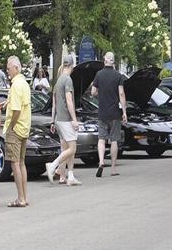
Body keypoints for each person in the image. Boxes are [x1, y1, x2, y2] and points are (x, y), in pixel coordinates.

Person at [89, 51, 127, 177]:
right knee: (114, 140)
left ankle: (100, 162)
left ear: (105, 60)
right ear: (113, 62)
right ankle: (113, 168)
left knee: (101, 139)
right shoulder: (118, 76)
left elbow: (93, 92)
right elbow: (121, 94)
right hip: (115, 113)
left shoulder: (99, 74)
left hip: (102, 112)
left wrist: (100, 93)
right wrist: (124, 112)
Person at [45, 57, 81, 186]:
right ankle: (53, 166)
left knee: (65, 148)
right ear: (72, 65)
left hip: (58, 119)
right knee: (72, 148)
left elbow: (54, 104)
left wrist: (52, 121)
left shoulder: (58, 80)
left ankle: (69, 176)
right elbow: (69, 100)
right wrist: (74, 119)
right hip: (66, 119)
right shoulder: (67, 80)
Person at [2, 56, 32, 207]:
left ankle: (20, 198)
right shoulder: (24, 84)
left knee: (15, 164)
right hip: (25, 128)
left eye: (8, 68)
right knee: (21, 163)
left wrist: (10, 127)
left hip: (16, 128)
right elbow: (21, 103)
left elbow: (16, 110)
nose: (7, 71)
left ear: (16, 68)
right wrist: (7, 101)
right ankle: (24, 197)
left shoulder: (15, 86)